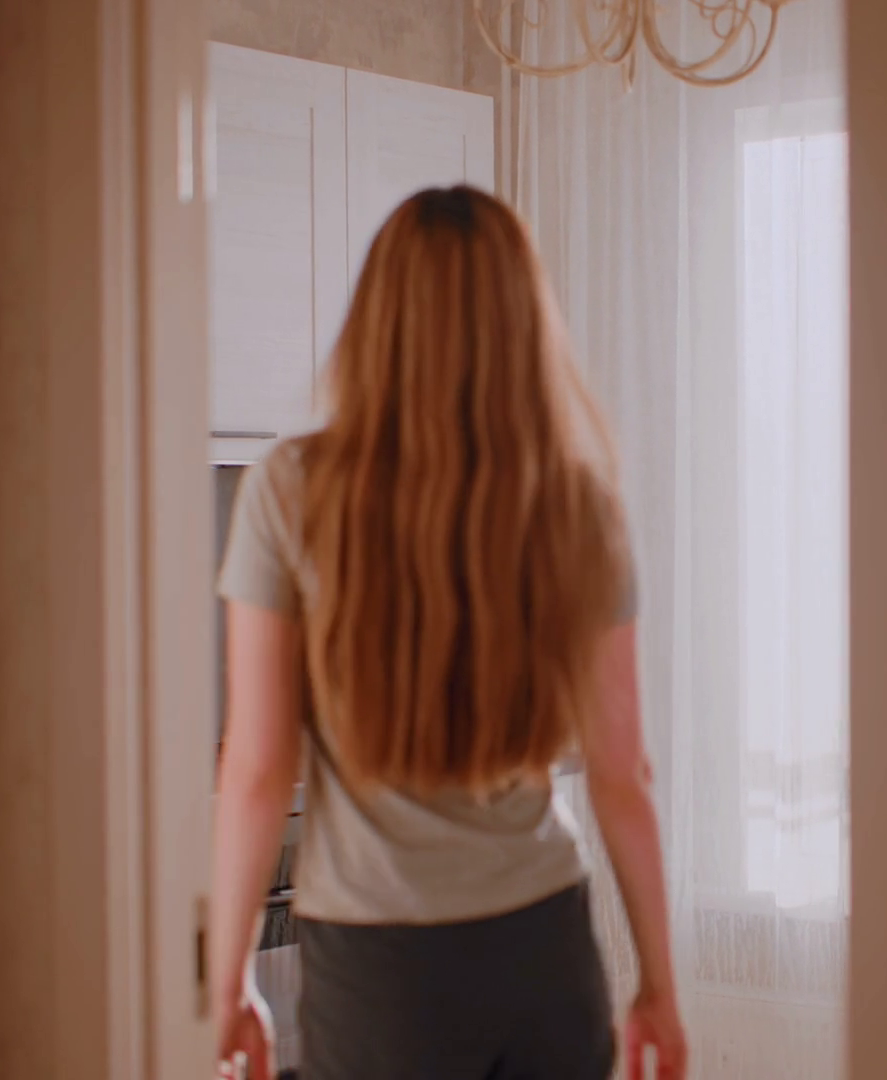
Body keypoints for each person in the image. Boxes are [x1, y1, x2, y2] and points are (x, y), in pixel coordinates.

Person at [209, 185, 687, 1080]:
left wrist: (231, 976)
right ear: (523, 325)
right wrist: (659, 986)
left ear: (377, 319)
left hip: (380, 966)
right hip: (543, 944)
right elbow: (624, 773)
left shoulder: (292, 489)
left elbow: (259, 767)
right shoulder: (577, 504)